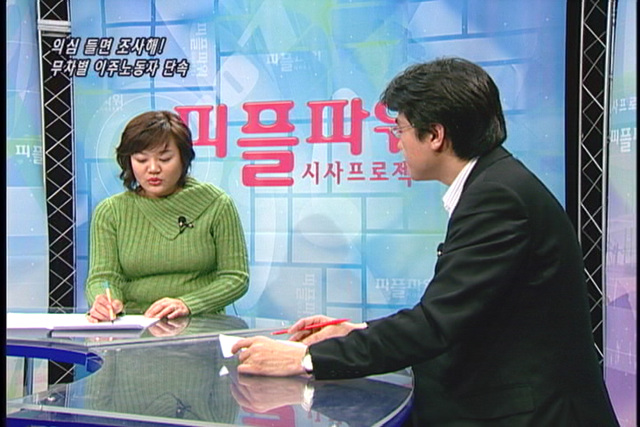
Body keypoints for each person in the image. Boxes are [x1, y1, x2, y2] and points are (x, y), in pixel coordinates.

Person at [231, 58, 619, 425]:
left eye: (399, 129)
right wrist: (354, 332)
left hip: (533, 413)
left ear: (435, 135)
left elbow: (436, 325)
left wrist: (306, 358)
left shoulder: (498, 198)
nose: (397, 143)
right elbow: (456, 313)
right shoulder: (495, 183)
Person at [85, 110, 249, 322]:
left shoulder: (217, 204)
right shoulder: (111, 212)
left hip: (202, 324)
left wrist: (188, 304)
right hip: (133, 324)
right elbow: (104, 277)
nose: (153, 169)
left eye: (165, 159)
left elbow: (236, 277)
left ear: (183, 158)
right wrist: (106, 302)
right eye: (141, 159)